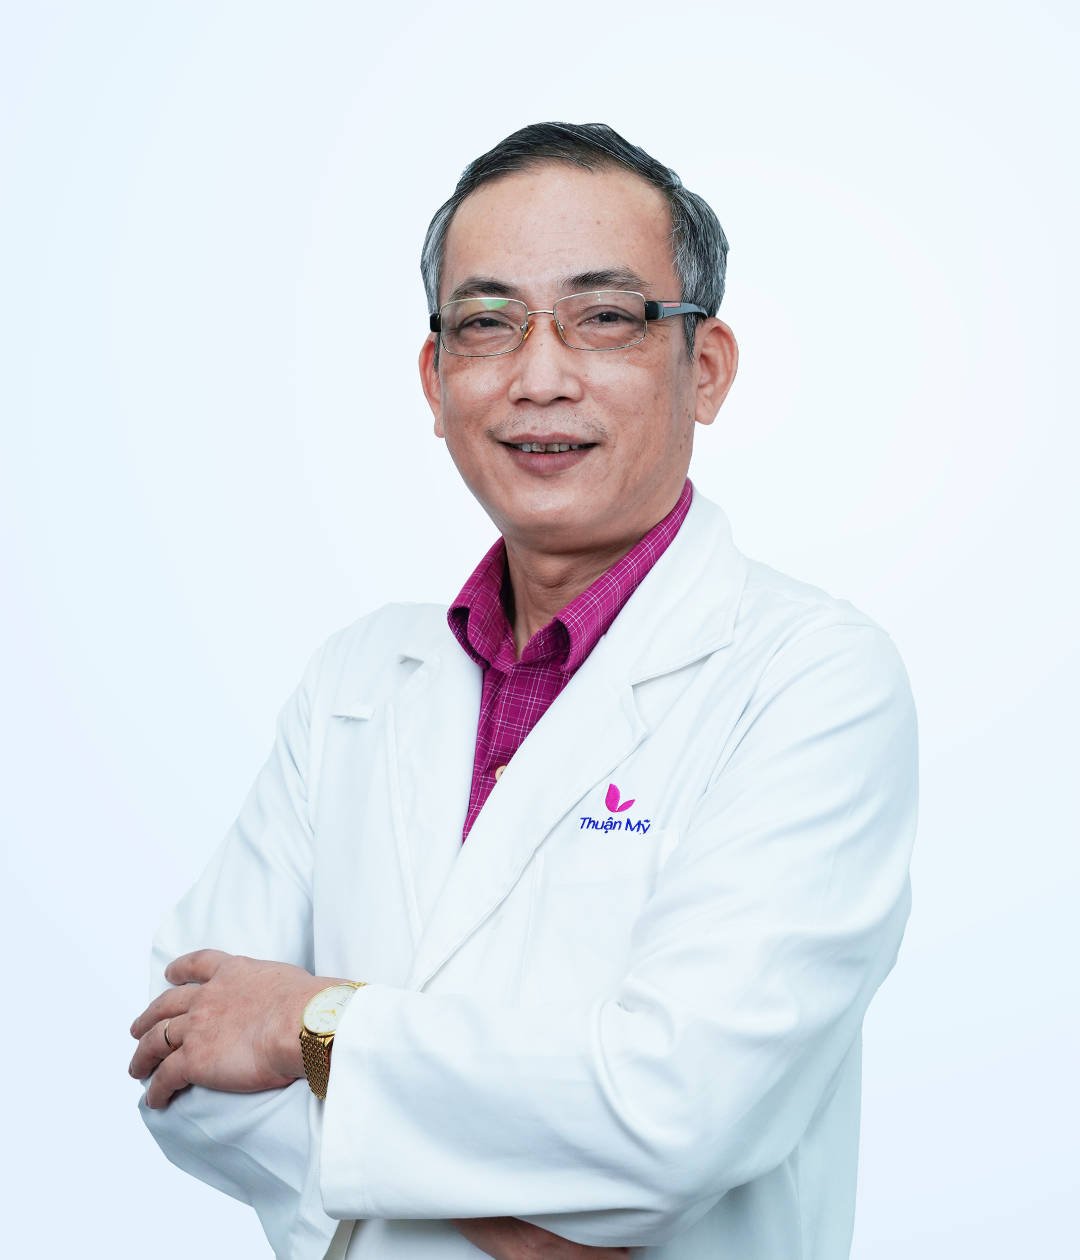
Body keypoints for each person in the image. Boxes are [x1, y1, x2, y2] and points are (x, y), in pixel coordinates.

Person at [129, 122, 918, 1260]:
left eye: (604, 318)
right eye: (488, 323)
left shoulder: (813, 678)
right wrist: (531, 1192)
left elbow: (673, 1116)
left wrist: (310, 1022)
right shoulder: (357, 680)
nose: (540, 377)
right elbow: (183, 1055)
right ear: (435, 378)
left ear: (704, 367)